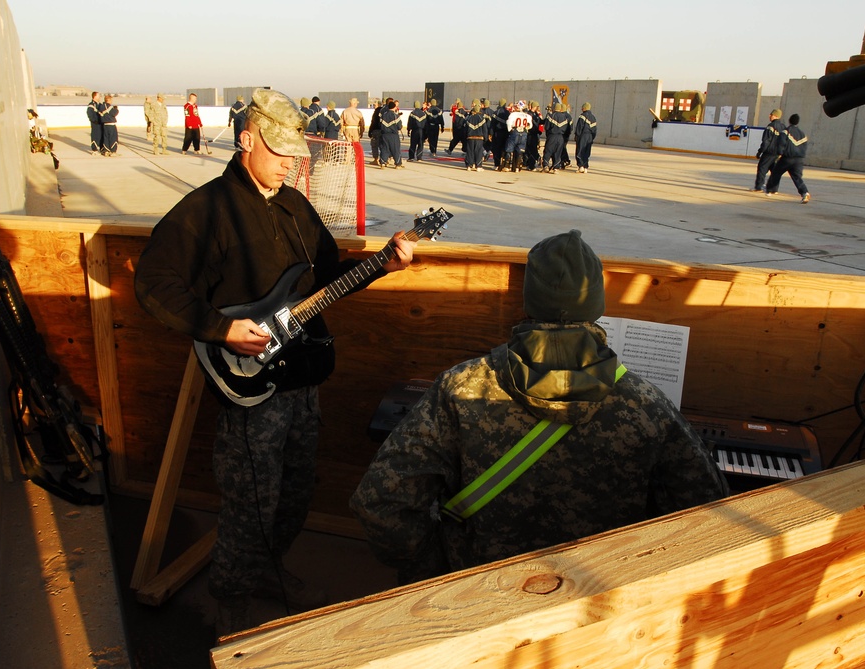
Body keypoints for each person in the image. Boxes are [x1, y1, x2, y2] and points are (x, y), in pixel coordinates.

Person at [133, 88, 417, 635]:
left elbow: (329, 280)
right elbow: (154, 284)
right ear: (246, 140)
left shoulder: (294, 206)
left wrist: (383, 263)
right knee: (250, 504)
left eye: (296, 154)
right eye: (282, 151)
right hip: (249, 391)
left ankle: (268, 572)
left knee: (295, 491)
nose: (292, 162)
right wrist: (220, 328)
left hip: (302, 381)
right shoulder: (205, 210)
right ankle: (231, 604)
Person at [350, 229, 729, 584]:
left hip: (476, 595)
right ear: (596, 303)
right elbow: (711, 513)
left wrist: (440, 569)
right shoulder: (645, 404)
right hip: (597, 598)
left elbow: (380, 504)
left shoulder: (461, 387)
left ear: (529, 299)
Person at [766, 114, 811, 204]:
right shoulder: (803, 134)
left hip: (787, 158)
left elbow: (781, 144)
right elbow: (804, 147)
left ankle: (770, 190)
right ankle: (804, 193)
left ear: (789, 121)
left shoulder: (785, 132)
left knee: (776, 173)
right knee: (797, 177)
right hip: (799, 160)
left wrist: (779, 154)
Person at [753, 108, 786, 192]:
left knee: (762, 168)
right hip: (778, 153)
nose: (769, 116)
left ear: (776, 116)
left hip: (769, 152)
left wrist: (760, 151)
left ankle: (759, 186)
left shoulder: (770, 127)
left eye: (771, 115)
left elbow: (766, 141)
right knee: (775, 171)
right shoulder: (783, 127)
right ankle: (774, 189)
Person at [502, 102, 532, 172]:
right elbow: (530, 125)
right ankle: (517, 167)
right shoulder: (527, 116)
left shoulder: (513, 114)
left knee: (509, 149)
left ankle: (507, 166)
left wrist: (510, 130)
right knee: (520, 150)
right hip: (523, 133)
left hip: (515, 131)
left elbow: (508, 123)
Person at [542, 102, 570, 173]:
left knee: (548, 151)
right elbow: (567, 128)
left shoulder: (551, 116)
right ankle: (556, 167)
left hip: (552, 136)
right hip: (561, 137)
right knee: (558, 152)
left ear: (554, 108)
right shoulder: (565, 117)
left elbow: (547, 127)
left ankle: (546, 165)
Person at [378, 100, 404, 168]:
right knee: (395, 149)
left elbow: (380, 124)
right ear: (394, 107)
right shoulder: (396, 116)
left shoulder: (383, 115)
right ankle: (398, 163)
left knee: (384, 148)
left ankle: (383, 162)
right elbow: (399, 126)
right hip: (393, 135)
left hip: (384, 134)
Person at [573, 102, 598, 173]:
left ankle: (580, 166)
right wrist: (592, 138)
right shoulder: (593, 117)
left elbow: (579, 127)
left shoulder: (582, 116)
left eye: (582, 107)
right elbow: (594, 130)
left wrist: (577, 136)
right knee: (587, 152)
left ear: (584, 108)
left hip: (583, 135)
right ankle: (586, 166)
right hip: (590, 136)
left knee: (580, 150)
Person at [463, 102, 488, 172]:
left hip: (470, 138)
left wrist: (465, 137)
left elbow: (465, 129)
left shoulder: (469, 118)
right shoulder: (482, 118)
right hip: (479, 138)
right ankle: (478, 166)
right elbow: (485, 129)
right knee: (478, 152)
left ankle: (469, 166)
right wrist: (485, 138)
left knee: (470, 152)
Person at [524, 101, 543, 171]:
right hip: (530, 134)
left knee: (533, 149)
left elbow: (540, 122)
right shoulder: (529, 114)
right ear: (534, 107)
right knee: (531, 150)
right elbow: (531, 125)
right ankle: (531, 165)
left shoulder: (536, 114)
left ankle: (530, 164)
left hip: (535, 134)